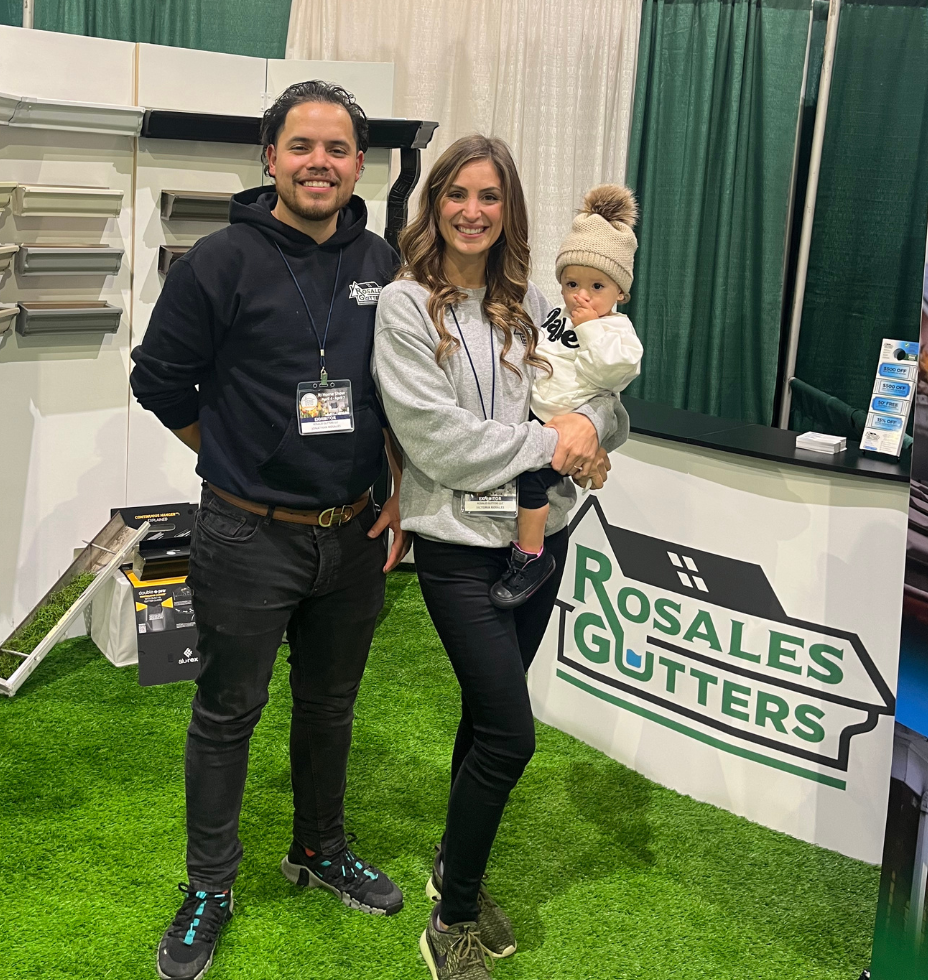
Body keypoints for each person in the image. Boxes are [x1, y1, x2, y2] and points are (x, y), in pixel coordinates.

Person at [130, 80, 409, 980]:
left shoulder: (384, 263)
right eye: (302, 146)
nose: (319, 163)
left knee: (330, 707)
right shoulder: (219, 260)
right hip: (248, 535)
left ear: (359, 164)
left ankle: (319, 847)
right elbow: (159, 381)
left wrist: (395, 490)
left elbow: (400, 396)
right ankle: (210, 884)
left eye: (336, 149)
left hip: (356, 535)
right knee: (227, 713)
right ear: (270, 157)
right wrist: (234, 458)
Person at [372, 134, 629, 980]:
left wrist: (593, 430)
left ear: (508, 211)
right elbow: (438, 442)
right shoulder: (408, 306)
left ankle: (456, 862)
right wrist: (552, 443)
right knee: (513, 737)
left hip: (540, 542)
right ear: (434, 203)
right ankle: (451, 920)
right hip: (458, 550)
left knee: (486, 723)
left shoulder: (529, 307)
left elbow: (594, 400)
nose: (473, 212)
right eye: (458, 195)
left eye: (491, 197)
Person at [489, 183, 643, 608]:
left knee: (530, 485)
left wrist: (591, 327)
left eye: (597, 287)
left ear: (621, 293)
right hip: (538, 418)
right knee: (520, 477)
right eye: (572, 283)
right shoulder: (555, 315)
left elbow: (614, 374)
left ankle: (530, 556)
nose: (582, 296)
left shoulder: (615, 331)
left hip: (562, 425)